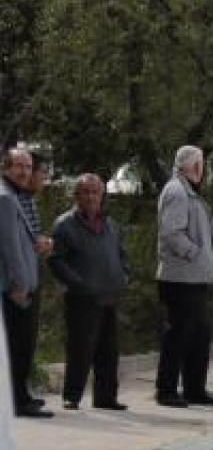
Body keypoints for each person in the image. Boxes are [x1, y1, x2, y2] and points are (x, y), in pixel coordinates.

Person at [48, 174, 130, 411]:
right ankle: (72, 396)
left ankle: (106, 398)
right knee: (80, 348)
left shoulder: (111, 225)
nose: (92, 197)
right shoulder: (64, 225)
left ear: (102, 195)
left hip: (110, 295)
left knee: (109, 350)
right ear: (77, 195)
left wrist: (124, 275)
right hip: (82, 298)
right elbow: (56, 260)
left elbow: (122, 255)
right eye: (86, 192)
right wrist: (78, 283)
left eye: (96, 192)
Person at [155, 145, 213, 408]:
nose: (201, 169)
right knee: (179, 334)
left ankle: (195, 389)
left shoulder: (190, 191)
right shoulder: (176, 191)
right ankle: (167, 390)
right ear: (189, 166)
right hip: (180, 277)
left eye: (202, 164)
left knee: (199, 335)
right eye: (198, 164)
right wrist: (194, 253)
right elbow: (171, 232)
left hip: (195, 277)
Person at [0, 148, 53, 417]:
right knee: (19, 346)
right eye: (18, 166)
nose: (24, 172)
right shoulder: (6, 198)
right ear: (6, 167)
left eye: (28, 166)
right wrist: (19, 285)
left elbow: (21, 241)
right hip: (16, 288)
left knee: (24, 345)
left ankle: (22, 396)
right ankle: (18, 401)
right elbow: (9, 247)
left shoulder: (17, 195)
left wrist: (38, 243)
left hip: (24, 283)